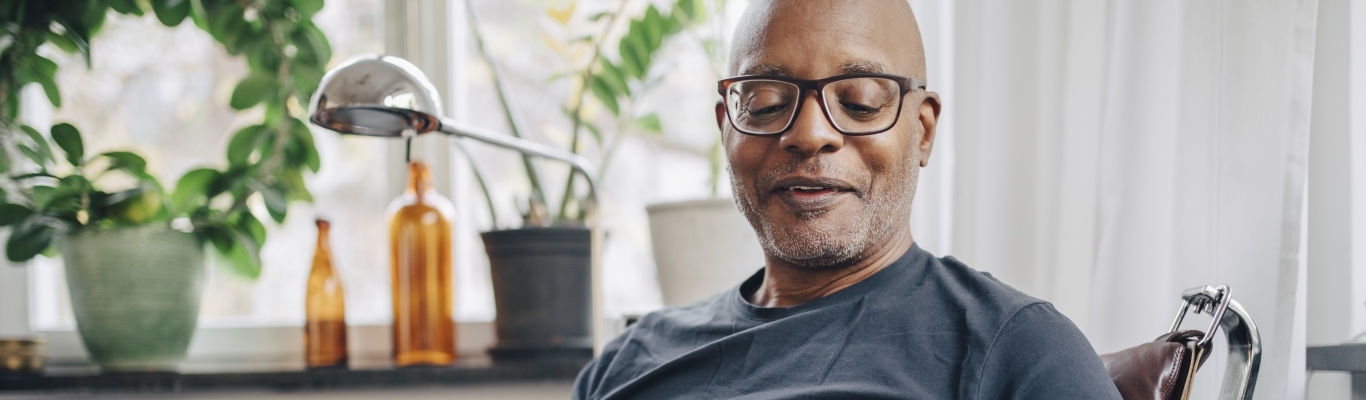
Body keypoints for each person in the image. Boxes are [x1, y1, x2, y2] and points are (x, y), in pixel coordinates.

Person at [574, 1, 1122, 398]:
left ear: (923, 130)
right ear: (728, 128)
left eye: (860, 102)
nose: (810, 134)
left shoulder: (1019, 351)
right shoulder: (629, 361)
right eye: (765, 103)